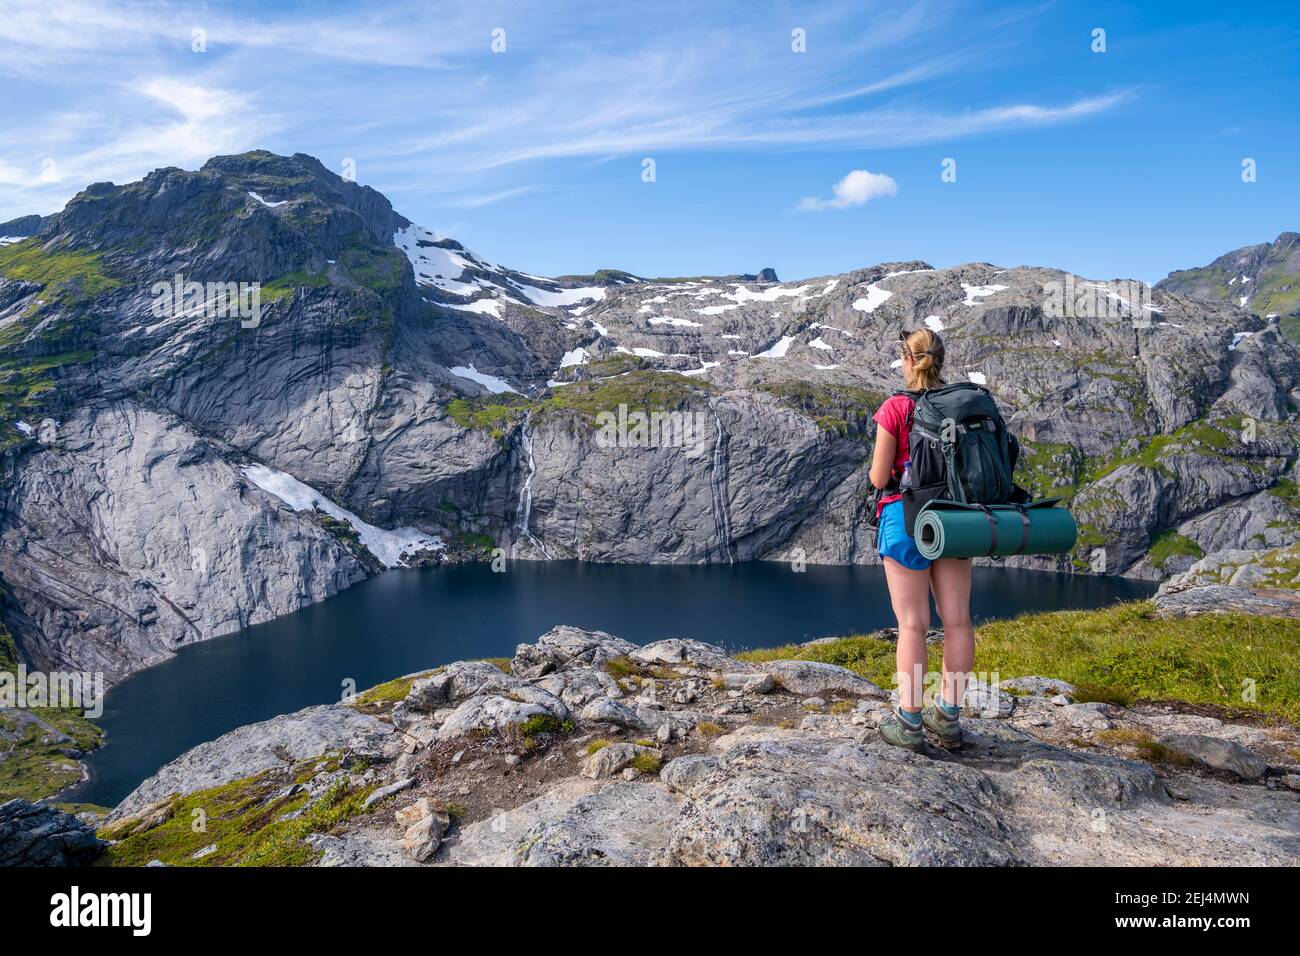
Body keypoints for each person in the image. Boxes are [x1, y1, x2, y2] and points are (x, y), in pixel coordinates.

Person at [870, 328, 971, 750]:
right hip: (957, 521)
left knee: (913, 624)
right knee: (958, 621)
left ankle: (909, 723)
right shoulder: (962, 406)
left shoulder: (895, 408)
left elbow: (879, 477)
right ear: (941, 360)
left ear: (907, 360)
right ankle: (947, 718)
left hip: (907, 515)